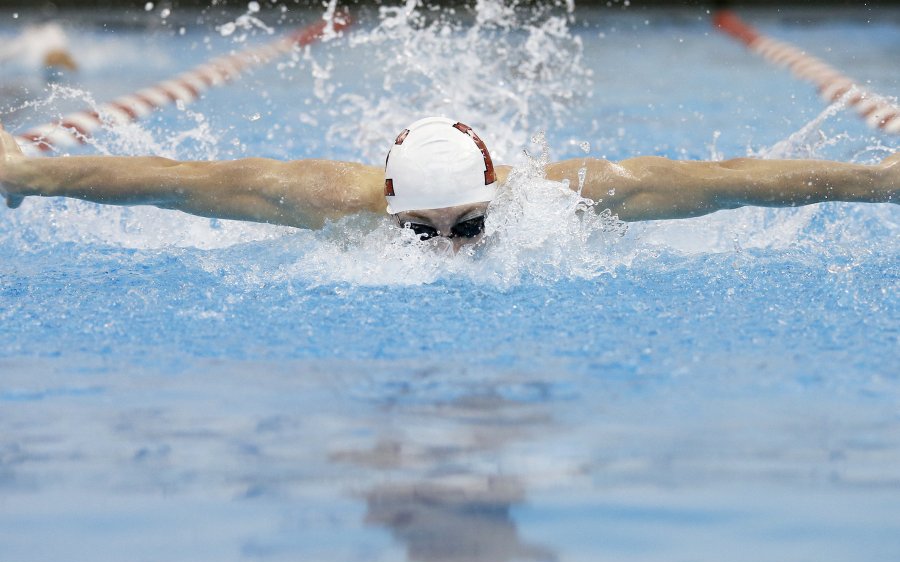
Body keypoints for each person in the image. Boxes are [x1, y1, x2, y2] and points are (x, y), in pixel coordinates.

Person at [1, 116, 897, 250]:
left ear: (500, 192)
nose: (445, 254)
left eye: (468, 229)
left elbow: (737, 181)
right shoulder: (318, 196)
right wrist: (25, 174)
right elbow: (163, 181)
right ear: (384, 206)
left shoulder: (577, 191)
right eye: (419, 234)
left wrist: (882, 185)